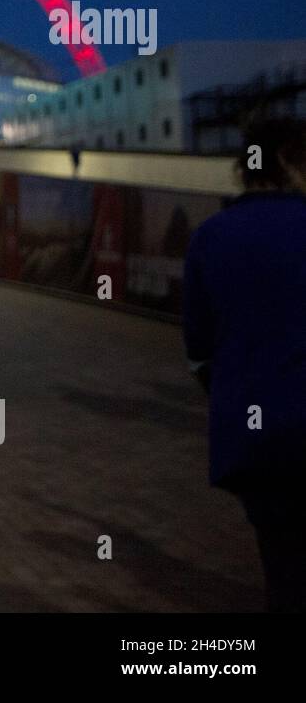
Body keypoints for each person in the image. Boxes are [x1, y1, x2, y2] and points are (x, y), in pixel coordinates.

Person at [184, 117, 306, 613]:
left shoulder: (212, 236)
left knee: (283, 567)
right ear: (288, 163)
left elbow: (198, 351)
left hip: (254, 446)